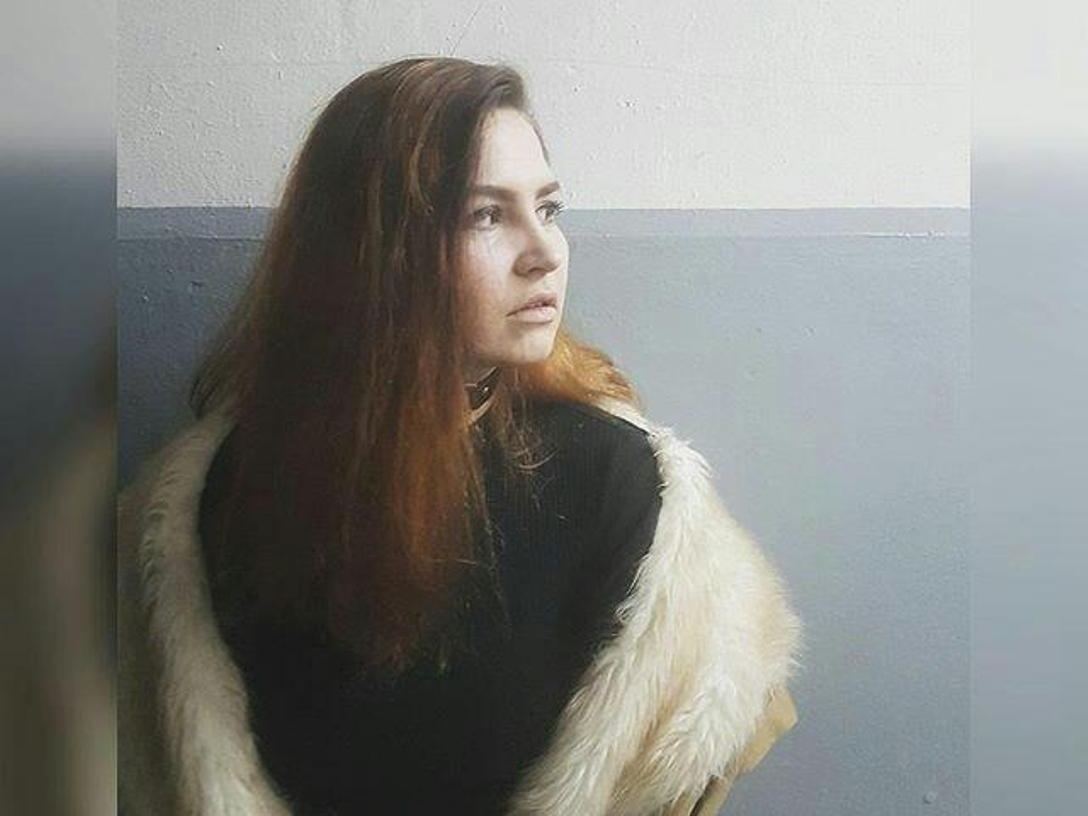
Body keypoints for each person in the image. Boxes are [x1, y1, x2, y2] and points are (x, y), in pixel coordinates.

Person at [118, 57, 803, 816]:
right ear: (375, 250)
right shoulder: (217, 500)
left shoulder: (619, 483)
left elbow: (691, 746)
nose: (544, 252)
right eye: (487, 216)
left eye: (548, 208)